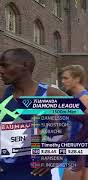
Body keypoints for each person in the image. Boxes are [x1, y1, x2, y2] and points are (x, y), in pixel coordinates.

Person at [0, 48, 72, 179]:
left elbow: (87, 124)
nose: (1, 70)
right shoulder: (2, 95)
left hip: (36, 174)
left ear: (25, 65)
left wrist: (58, 153)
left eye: (5, 65)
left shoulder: (51, 94)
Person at [60, 65, 88, 180]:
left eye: (66, 78)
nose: (63, 81)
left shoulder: (84, 98)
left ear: (77, 79)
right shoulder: (75, 97)